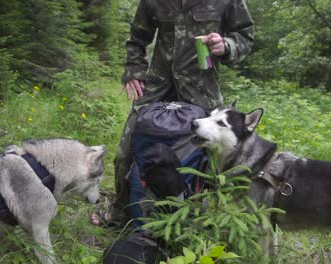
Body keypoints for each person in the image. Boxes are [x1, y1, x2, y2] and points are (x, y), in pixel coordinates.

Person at [91, 0, 254, 226]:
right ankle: (122, 211)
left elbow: (245, 35)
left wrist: (226, 45)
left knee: (215, 157)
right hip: (158, 87)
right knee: (126, 152)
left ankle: (207, 217)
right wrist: (135, 71)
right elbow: (137, 37)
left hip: (201, 90)